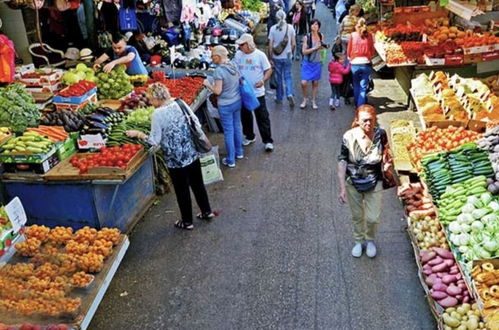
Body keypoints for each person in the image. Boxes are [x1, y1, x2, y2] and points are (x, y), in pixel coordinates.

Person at [126, 83, 215, 230]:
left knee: (182, 190)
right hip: (191, 152)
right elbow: (196, 123)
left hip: (175, 159)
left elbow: (154, 141)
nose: (150, 103)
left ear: (156, 98)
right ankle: (207, 211)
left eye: (151, 100)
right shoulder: (180, 103)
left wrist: (138, 134)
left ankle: (187, 221)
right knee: (198, 184)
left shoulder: (158, 114)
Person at [337, 104, 393, 258]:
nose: (368, 124)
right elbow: (342, 160)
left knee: (373, 217)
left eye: (371, 120)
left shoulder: (380, 134)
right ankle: (358, 241)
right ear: (357, 120)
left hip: (375, 181)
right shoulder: (348, 136)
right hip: (353, 182)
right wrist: (342, 187)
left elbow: (386, 153)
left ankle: (370, 240)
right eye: (364, 121)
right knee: (356, 215)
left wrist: (387, 164)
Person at [202, 46, 243, 168]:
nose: (211, 58)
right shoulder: (233, 65)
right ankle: (239, 152)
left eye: (213, 55)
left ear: (218, 57)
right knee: (237, 127)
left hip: (225, 105)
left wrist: (207, 84)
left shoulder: (219, 71)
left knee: (228, 131)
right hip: (237, 101)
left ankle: (230, 160)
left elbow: (217, 91)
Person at [233, 33, 275, 152]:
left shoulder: (260, 55)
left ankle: (267, 140)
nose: (240, 47)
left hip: (257, 92)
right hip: (243, 91)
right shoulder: (238, 55)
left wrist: (263, 80)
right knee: (245, 115)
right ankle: (249, 135)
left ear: (248, 44)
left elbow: (268, 70)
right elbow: (235, 69)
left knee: (262, 116)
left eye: (242, 44)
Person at [268, 10, 296, 107]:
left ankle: (279, 97)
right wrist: (291, 53)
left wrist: (270, 57)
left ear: (276, 18)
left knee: (278, 77)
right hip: (287, 55)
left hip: (277, 56)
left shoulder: (272, 29)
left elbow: (270, 45)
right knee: (288, 76)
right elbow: (294, 44)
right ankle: (289, 93)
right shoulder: (290, 28)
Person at [347, 18, 374, 107]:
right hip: (366, 63)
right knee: (363, 87)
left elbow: (349, 49)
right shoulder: (370, 36)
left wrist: (349, 58)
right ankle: (360, 106)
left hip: (354, 63)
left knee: (355, 84)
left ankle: (356, 104)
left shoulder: (352, 35)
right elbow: (372, 50)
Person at [300, 19, 326, 110]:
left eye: (316, 25)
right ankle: (305, 99)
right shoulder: (306, 37)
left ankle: (313, 100)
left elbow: (322, 48)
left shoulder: (321, 36)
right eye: (312, 24)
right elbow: (304, 51)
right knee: (303, 82)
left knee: (315, 82)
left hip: (317, 62)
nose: (314, 26)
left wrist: (324, 47)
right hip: (307, 62)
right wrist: (314, 48)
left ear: (319, 27)